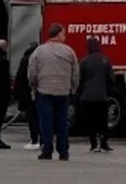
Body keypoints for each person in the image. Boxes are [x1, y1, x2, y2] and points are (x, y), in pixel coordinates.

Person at [28, 24, 79, 161]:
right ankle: (63, 152)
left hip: (44, 91)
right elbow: (75, 73)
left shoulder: (39, 51)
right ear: (58, 35)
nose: (65, 36)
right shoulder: (69, 51)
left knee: (46, 122)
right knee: (62, 122)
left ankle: (47, 150)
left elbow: (32, 72)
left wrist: (34, 85)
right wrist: (73, 88)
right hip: (63, 92)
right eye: (64, 34)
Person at [77, 36, 114, 153]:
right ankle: (103, 143)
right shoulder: (105, 60)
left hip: (87, 97)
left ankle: (93, 144)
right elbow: (111, 79)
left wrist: (79, 93)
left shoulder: (84, 61)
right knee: (102, 120)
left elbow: (79, 79)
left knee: (90, 121)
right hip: (102, 96)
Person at [12, 43, 40, 150]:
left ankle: (34, 139)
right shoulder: (37, 60)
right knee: (38, 116)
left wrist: (17, 93)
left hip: (28, 94)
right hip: (37, 92)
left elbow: (21, 78)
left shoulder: (25, 60)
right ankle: (40, 139)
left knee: (32, 117)